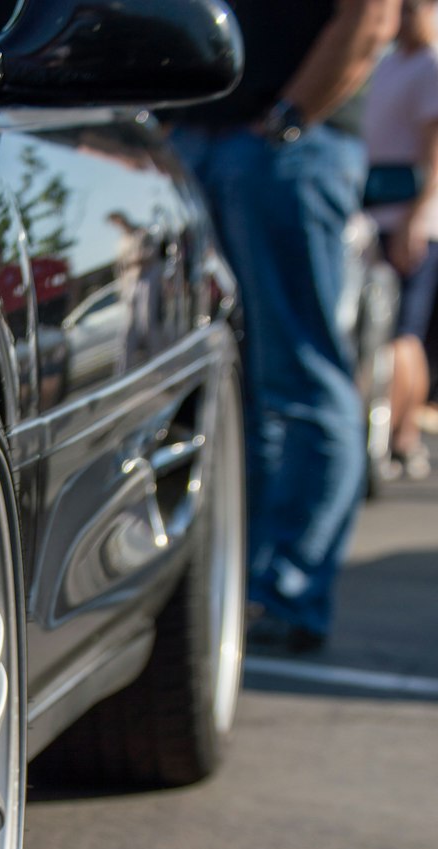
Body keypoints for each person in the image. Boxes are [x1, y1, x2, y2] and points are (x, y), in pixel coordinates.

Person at [173, 0, 400, 652]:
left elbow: (371, 18)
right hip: (218, 139)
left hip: (288, 145)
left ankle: (291, 592)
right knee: (234, 386)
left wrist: (288, 119)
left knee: (300, 378)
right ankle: (244, 586)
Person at [364, 0, 438, 479]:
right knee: (378, 332)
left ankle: (403, 434)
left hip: (413, 220)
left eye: (416, 8)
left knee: (402, 335)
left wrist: (419, 215)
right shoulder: (388, 64)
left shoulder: (432, 67)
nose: (406, 17)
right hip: (372, 214)